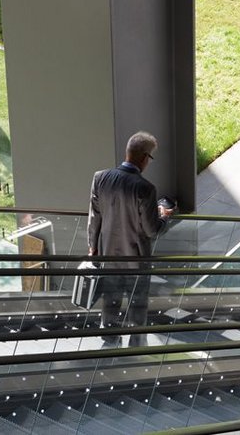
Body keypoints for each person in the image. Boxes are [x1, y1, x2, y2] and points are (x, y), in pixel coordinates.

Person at [87, 131, 175, 347]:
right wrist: (164, 217)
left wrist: (92, 248)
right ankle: (136, 346)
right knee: (137, 307)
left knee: (111, 303)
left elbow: (94, 218)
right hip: (137, 262)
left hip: (109, 257)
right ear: (145, 157)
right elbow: (151, 229)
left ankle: (109, 341)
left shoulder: (100, 178)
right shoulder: (145, 188)